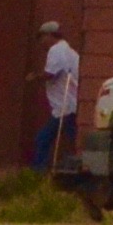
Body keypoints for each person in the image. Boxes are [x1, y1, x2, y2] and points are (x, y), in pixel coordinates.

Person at [32, 20, 80, 172]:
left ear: (49, 35)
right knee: (74, 139)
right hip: (70, 105)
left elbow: (51, 73)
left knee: (43, 139)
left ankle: (38, 173)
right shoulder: (70, 51)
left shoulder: (57, 50)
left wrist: (35, 77)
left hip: (64, 106)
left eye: (41, 38)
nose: (41, 43)